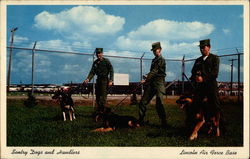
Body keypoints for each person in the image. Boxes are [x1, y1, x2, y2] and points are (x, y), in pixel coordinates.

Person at [138, 42, 168, 128]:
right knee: (143, 102)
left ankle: (164, 123)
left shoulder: (161, 60)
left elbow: (155, 71)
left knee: (159, 103)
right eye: (153, 50)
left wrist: (146, 79)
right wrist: (147, 76)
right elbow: (153, 71)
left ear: (160, 49)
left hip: (159, 83)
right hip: (152, 83)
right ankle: (140, 120)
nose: (155, 52)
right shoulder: (154, 60)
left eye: (156, 50)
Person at [190, 39, 220, 122]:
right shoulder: (198, 60)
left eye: (203, 47)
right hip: (200, 87)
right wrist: (195, 77)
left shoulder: (214, 58)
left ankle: (219, 126)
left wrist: (203, 78)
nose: (202, 49)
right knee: (195, 105)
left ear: (209, 47)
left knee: (215, 105)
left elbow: (215, 73)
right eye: (200, 48)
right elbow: (193, 72)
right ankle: (195, 125)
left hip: (211, 86)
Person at [83, 48, 114, 113]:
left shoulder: (106, 61)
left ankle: (104, 112)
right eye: (97, 53)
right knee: (97, 97)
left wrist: (111, 80)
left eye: (100, 53)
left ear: (102, 53)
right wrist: (88, 79)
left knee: (103, 98)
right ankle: (99, 112)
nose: (98, 55)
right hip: (98, 81)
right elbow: (92, 72)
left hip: (105, 81)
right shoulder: (95, 63)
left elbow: (111, 70)